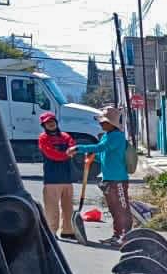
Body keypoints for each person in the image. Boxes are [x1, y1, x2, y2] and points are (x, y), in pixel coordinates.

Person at [69, 105, 130, 245]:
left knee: (122, 208)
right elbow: (103, 154)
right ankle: (117, 236)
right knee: (114, 210)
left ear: (111, 123)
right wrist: (92, 158)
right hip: (108, 178)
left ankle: (125, 236)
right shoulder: (107, 136)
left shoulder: (116, 137)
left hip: (118, 179)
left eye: (103, 122)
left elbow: (101, 148)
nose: (100, 123)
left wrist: (79, 148)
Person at [37, 111, 77, 239]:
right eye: (47, 123)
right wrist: (66, 154)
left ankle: (68, 231)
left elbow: (73, 147)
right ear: (43, 125)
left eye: (52, 121)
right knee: (51, 208)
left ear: (56, 122)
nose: (51, 124)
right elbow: (50, 154)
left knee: (68, 207)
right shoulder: (43, 138)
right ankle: (51, 231)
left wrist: (68, 153)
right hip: (51, 179)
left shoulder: (66, 136)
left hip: (67, 177)